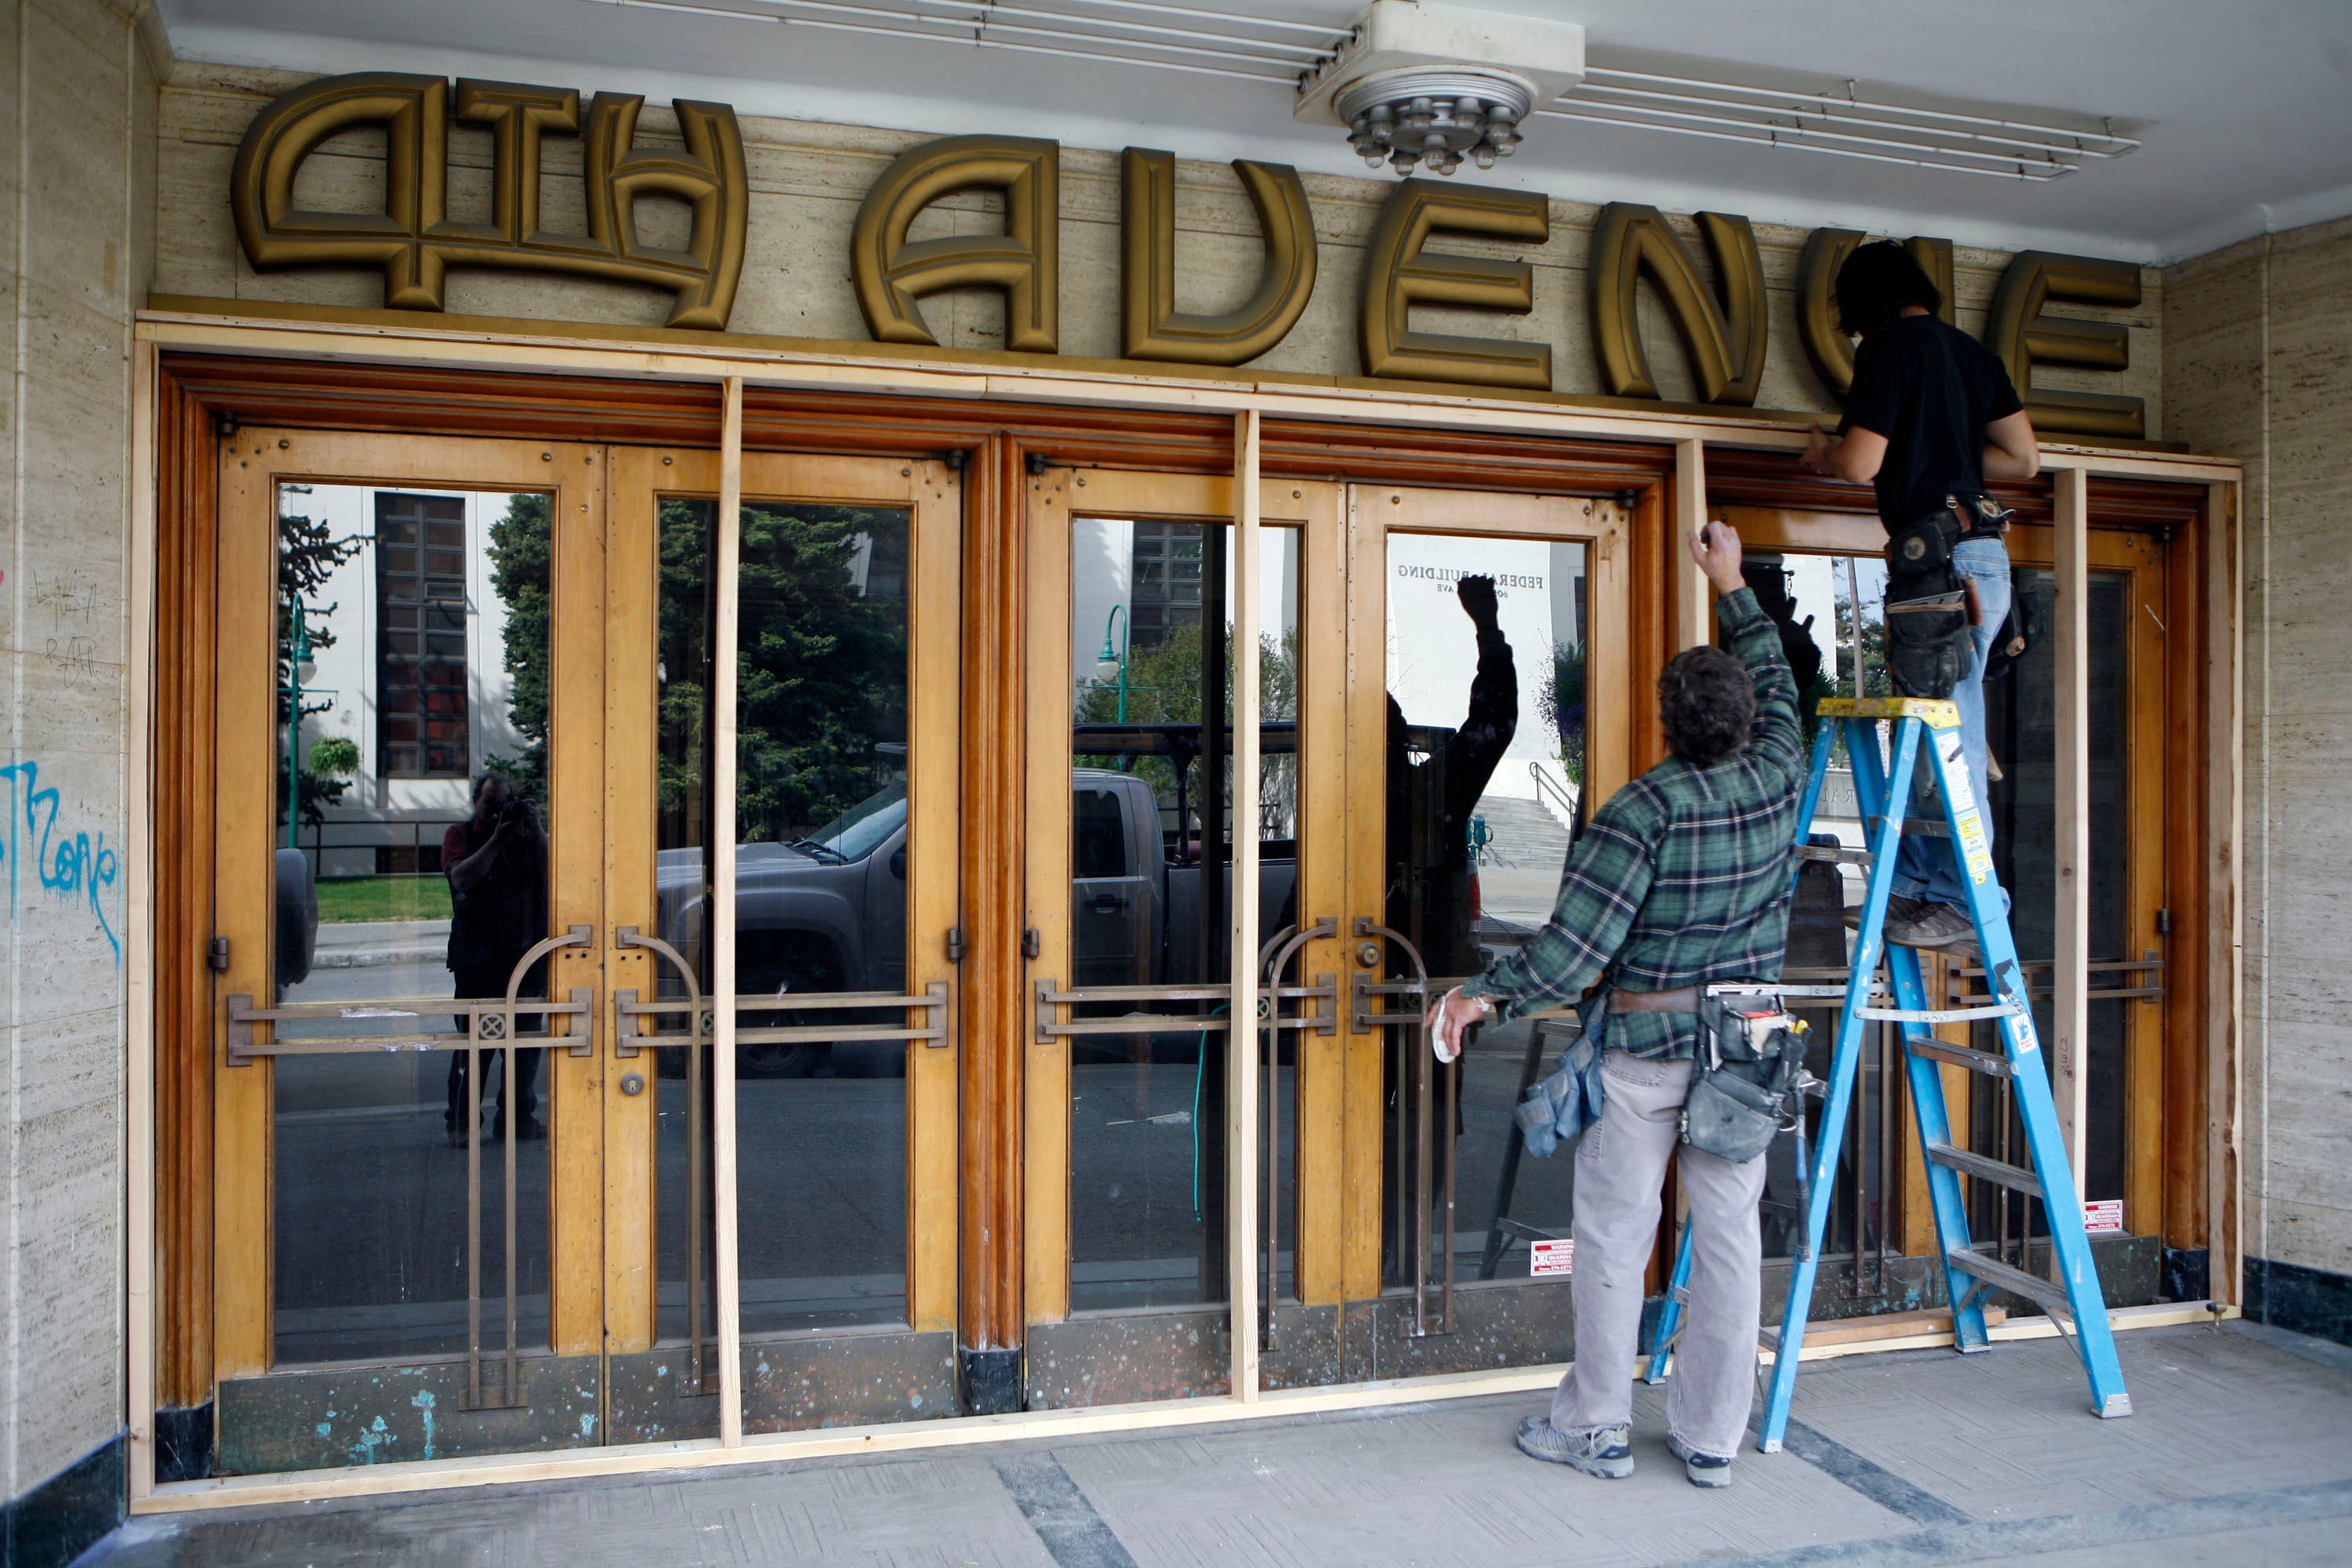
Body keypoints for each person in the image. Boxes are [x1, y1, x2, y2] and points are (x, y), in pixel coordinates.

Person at [1425, 521, 1805, 1489]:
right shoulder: (1779, 775)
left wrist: (1479, 997)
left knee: (1616, 1234)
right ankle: (1713, 1437)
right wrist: (1728, 582)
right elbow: (1776, 676)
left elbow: (1568, 957)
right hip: (1745, 1047)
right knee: (1729, 1240)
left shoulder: (1638, 813)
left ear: (1665, 720)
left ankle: (1595, 1423)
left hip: (1648, 1050)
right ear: (1747, 718)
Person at [1802, 241, 2039, 956]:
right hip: (1979, 557)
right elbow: (2024, 460)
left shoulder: (1888, 350)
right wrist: (1951, 458)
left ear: (1864, 303)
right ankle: (1921, 886)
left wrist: (1820, 453)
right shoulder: (1970, 353)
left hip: (1936, 569)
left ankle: (1971, 898)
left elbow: (1859, 462)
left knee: (1950, 737)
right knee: (1938, 730)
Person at [443, 771, 550, 1144]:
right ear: (476, 801)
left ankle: (518, 1120)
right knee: (475, 1047)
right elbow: (461, 878)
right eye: (490, 801)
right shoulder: (461, 835)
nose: (497, 809)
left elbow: (555, 871)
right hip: (479, 959)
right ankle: (461, 1124)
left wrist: (534, 828)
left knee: (524, 1047)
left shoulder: (524, 837)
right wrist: (497, 838)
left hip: (525, 956)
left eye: (504, 801)